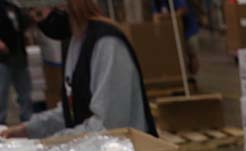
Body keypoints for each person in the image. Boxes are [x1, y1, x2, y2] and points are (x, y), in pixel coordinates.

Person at [0, 0, 156, 138]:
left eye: (39, 13)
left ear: (62, 5)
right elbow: (71, 111)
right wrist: (27, 130)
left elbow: (109, 125)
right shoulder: (75, 42)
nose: (38, 20)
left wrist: (54, 142)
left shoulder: (106, 43)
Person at [0, 0, 30, 125]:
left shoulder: (14, 6)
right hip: (3, 57)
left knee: (25, 90)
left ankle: (27, 120)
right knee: (2, 91)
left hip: (18, 53)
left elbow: (23, 25)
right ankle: (1, 122)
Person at [153, 0, 199, 78]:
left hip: (188, 30)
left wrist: (165, 16)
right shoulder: (156, 2)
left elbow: (183, 10)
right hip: (173, 31)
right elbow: (155, 17)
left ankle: (192, 78)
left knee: (192, 54)